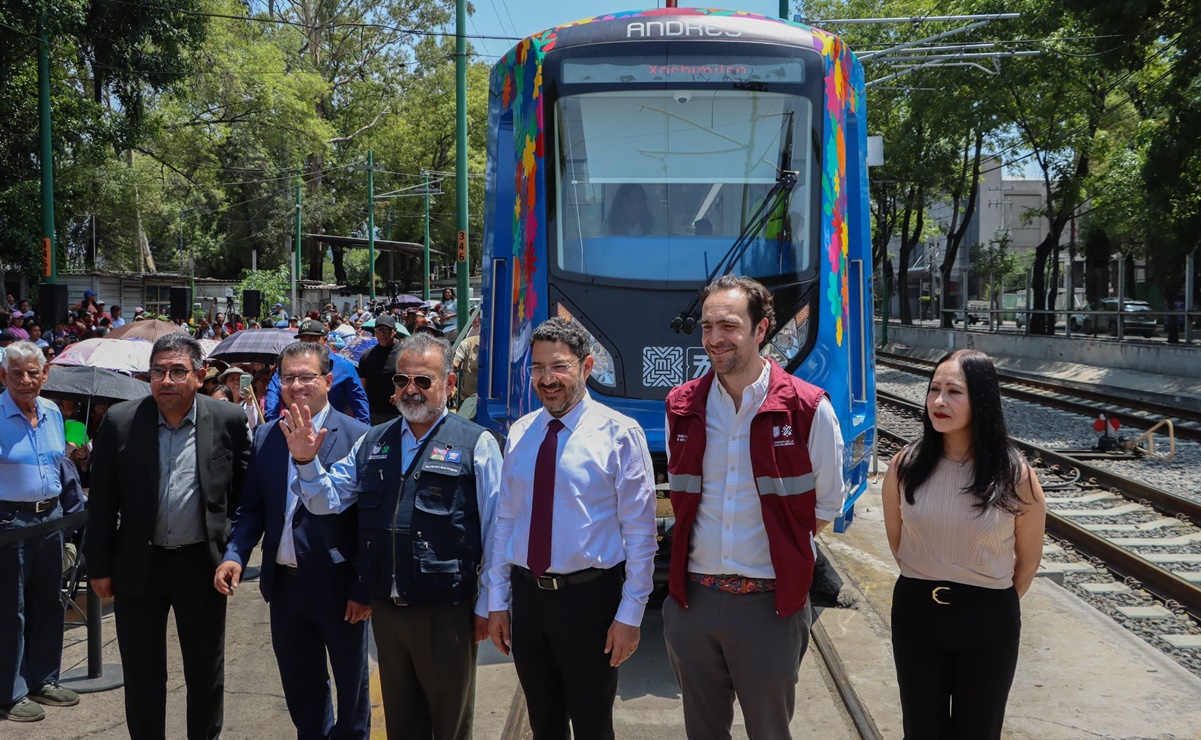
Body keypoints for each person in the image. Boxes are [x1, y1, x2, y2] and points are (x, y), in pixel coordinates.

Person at [280, 331, 502, 740]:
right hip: (388, 610)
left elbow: (497, 531)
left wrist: (491, 603)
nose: (410, 390)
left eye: (423, 381)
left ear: (449, 384)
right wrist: (306, 460)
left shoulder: (476, 444)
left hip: (446, 610)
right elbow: (325, 500)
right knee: (402, 724)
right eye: (402, 381)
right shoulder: (373, 441)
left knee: (450, 725)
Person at [662, 275, 845, 740]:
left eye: (728, 325)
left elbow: (823, 507)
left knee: (769, 732)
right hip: (694, 603)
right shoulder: (681, 406)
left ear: (761, 329)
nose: (714, 338)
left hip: (770, 608)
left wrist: (778, 554)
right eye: (706, 326)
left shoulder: (807, 409)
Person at [486, 317, 657, 740]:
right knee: (544, 724)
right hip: (529, 599)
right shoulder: (522, 432)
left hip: (590, 602)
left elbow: (640, 533)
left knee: (593, 725)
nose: (547, 379)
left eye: (559, 366)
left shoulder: (620, 434)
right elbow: (505, 520)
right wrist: (497, 600)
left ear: (586, 366)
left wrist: (630, 615)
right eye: (538, 368)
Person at [86, 333, 251, 740]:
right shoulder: (122, 421)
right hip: (138, 566)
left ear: (199, 376)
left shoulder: (228, 420)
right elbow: (102, 500)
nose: (167, 380)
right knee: (142, 674)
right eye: (159, 371)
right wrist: (99, 566)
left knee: (204, 671)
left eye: (178, 371)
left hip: (201, 566)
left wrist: (231, 547)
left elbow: (244, 494)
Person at [882, 349, 1047, 739]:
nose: (939, 401)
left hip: (988, 621)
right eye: (934, 389)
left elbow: (1028, 562)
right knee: (921, 730)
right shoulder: (905, 465)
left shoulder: (1015, 475)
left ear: (983, 401)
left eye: (954, 391)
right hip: (916, 614)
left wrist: (984, 601)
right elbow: (898, 538)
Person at [215, 342, 371, 739]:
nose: (297, 385)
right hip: (284, 586)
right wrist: (235, 554)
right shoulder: (268, 435)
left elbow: (369, 523)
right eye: (289, 378)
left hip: (339, 588)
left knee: (352, 691)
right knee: (302, 688)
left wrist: (363, 586)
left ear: (328, 381)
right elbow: (251, 508)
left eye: (307, 376)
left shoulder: (358, 437)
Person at [0, 341, 81, 722]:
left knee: (50, 602)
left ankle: (42, 679)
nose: (26, 380)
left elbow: (57, 467)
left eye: (33, 372)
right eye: (16, 373)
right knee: (9, 610)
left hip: (51, 519)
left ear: (45, 375)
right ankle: (9, 691)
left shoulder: (51, 411)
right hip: (9, 524)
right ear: (4, 376)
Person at [263, 319, 370, 425]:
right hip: (296, 426)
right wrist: (272, 422)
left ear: (324, 339)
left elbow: (359, 401)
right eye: (304, 340)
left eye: (313, 339)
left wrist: (363, 433)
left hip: (333, 430)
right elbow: (273, 393)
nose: (308, 344)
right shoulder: (290, 366)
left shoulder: (344, 368)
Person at [358, 314, 406, 426]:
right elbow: (362, 388)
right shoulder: (367, 356)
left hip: (398, 412)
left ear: (394, 331)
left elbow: (413, 378)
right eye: (378, 330)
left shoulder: (405, 354)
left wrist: (401, 391)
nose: (382, 334)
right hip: (374, 414)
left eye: (386, 330)